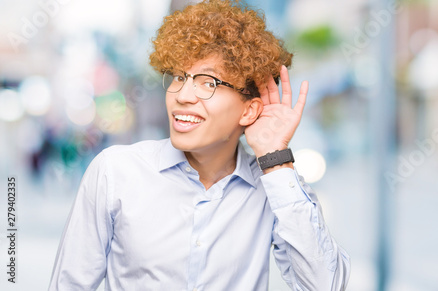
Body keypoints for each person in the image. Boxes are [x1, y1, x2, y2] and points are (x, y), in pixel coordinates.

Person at [48, 0, 350, 290]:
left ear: (248, 111)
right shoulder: (115, 172)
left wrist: (275, 158)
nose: (183, 94)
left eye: (208, 83)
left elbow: (325, 284)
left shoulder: (273, 185)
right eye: (180, 77)